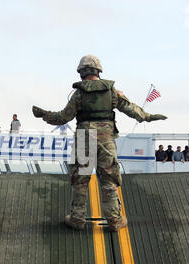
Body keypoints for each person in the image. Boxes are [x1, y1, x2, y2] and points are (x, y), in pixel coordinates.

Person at [32, 55, 167, 232]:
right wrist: (148, 117)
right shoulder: (111, 91)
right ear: (98, 71)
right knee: (109, 180)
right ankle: (114, 221)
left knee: (80, 180)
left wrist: (44, 114)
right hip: (106, 140)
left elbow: (62, 117)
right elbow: (131, 109)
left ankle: (77, 219)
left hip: (83, 139)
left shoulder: (79, 94)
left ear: (81, 72)